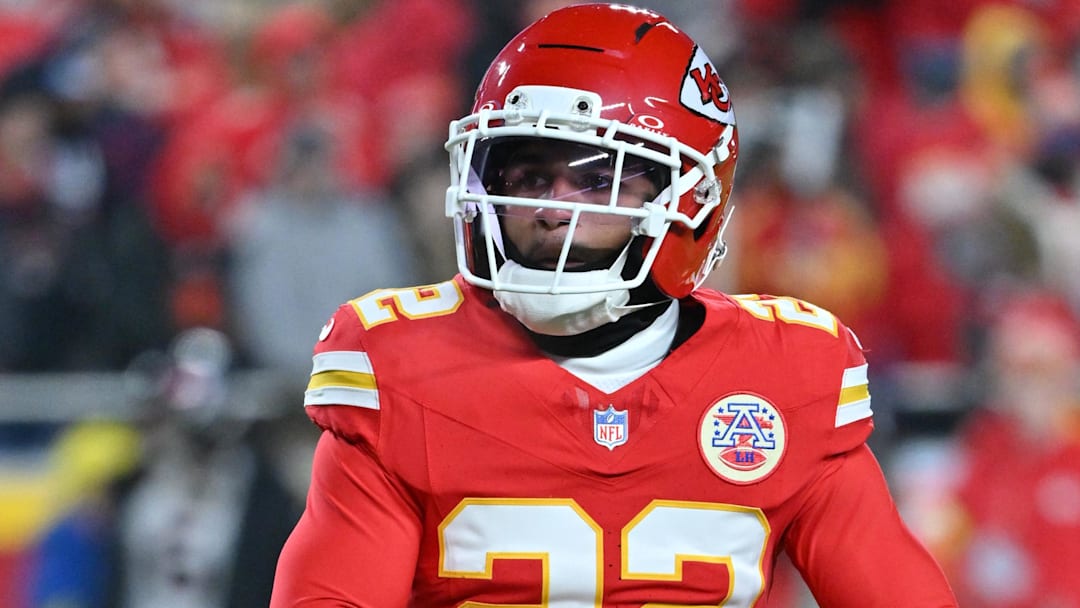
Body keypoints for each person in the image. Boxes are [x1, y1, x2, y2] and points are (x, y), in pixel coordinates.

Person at [271, 4, 957, 606]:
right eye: (529, 174)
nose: (550, 208)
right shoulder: (398, 367)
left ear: (691, 199)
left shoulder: (787, 376)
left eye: (599, 180)